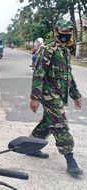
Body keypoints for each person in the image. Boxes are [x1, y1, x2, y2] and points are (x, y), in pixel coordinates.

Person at [28, 19, 83, 177]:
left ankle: (30, 146)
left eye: (68, 34)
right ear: (56, 33)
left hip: (58, 95)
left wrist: (76, 95)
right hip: (49, 95)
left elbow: (68, 76)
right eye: (63, 34)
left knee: (48, 122)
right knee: (60, 124)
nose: (66, 36)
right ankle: (70, 160)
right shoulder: (49, 50)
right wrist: (35, 97)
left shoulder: (65, 51)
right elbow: (39, 73)